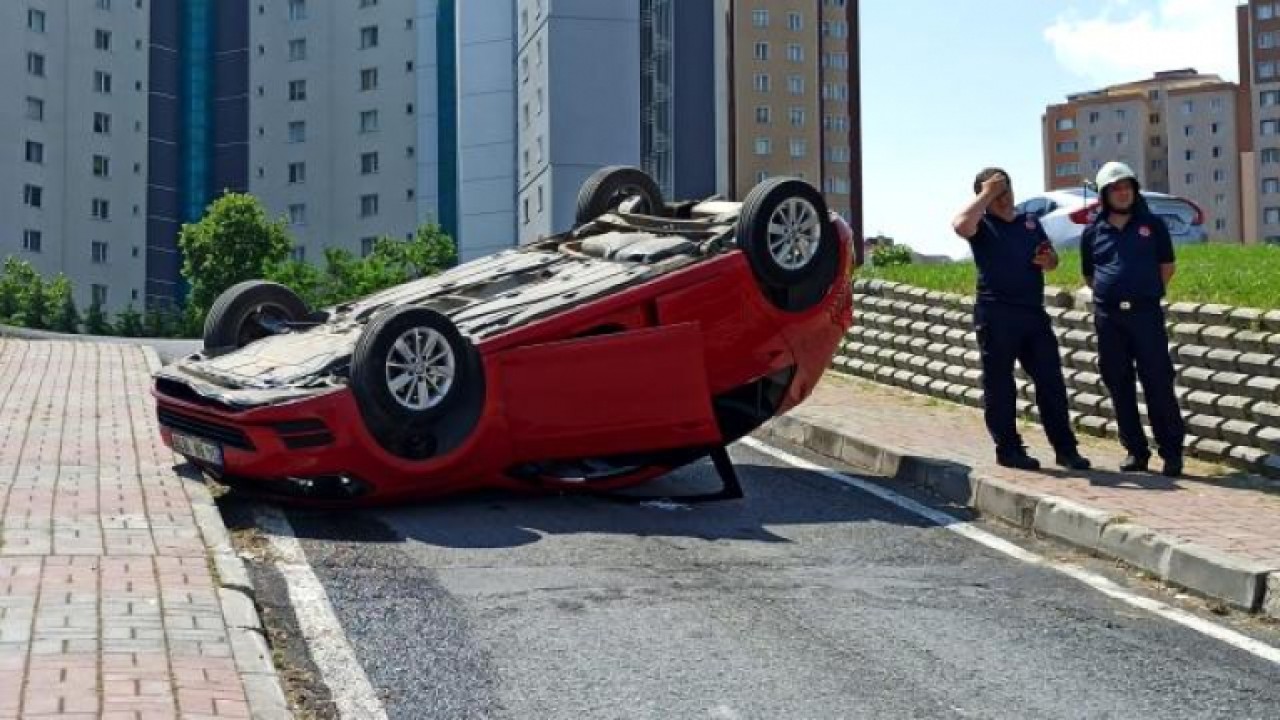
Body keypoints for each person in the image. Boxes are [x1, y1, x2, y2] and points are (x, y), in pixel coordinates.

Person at [952, 168, 1091, 471]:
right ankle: (1009, 449)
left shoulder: (1029, 222)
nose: (1004, 199)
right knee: (1000, 385)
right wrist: (987, 193)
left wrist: (1050, 260)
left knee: (1051, 381)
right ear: (983, 197)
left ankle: (1066, 450)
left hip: (1032, 313)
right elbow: (960, 225)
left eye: (1007, 192)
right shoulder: (981, 224)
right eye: (996, 194)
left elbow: (1052, 258)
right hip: (996, 313)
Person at [1081, 162, 1185, 478]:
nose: (1122, 193)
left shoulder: (1152, 225)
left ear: (1134, 190)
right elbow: (1089, 274)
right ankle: (1135, 452)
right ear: (1104, 194)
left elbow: (1166, 266)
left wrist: (1144, 292)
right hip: (1109, 318)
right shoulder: (1092, 232)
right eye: (1115, 188)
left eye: (1127, 186)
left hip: (1145, 315)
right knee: (1119, 383)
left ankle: (1171, 453)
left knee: (1157, 382)